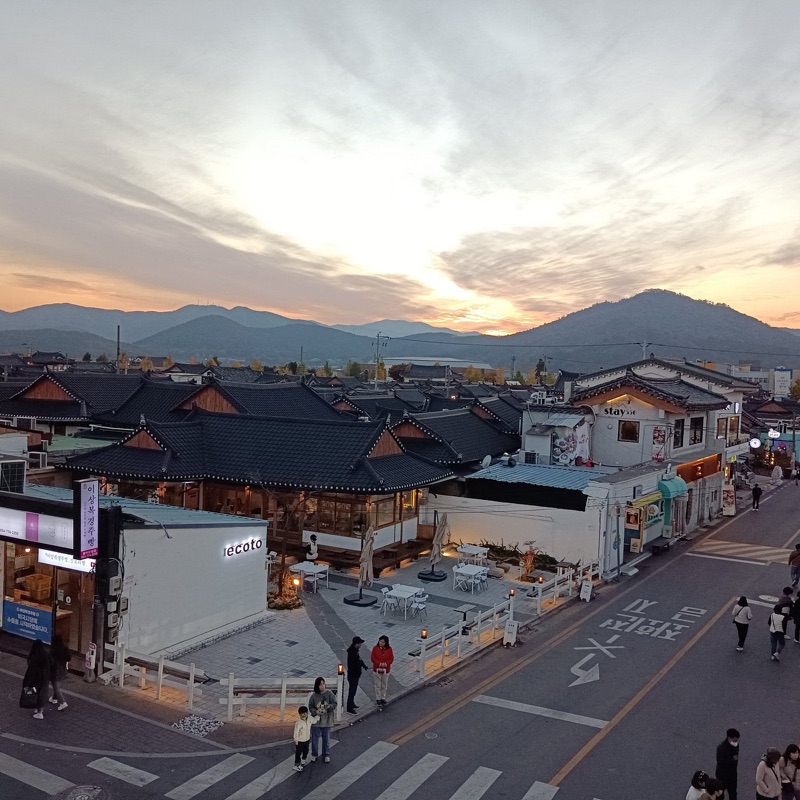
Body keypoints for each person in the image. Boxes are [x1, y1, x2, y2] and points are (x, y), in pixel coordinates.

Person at [307, 677, 336, 763]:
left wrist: (328, 708)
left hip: (327, 721)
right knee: (315, 739)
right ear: (317, 686)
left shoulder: (329, 694)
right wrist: (316, 712)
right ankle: (314, 754)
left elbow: (334, 703)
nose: (322, 686)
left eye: (323, 683)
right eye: (320, 684)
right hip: (316, 721)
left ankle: (326, 754)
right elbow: (310, 706)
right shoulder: (314, 696)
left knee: (326, 739)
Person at [23, 639, 52, 720]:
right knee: (42, 693)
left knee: (35, 693)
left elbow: (31, 671)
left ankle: (39, 711)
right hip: (45, 678)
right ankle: (39, 709)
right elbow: (51, 662)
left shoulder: (35, 657)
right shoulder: (45, 654)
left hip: (36, 679)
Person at [345, 636, 369, 714]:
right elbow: (357, 662)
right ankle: (349, 707)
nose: (361, 645)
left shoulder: (355, 651)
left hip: (355, 675)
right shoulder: (352, 653)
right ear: (356, 644)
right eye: (360, 643)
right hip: (353, 675)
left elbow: (359, 660)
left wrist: (364, 666)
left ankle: (352, 704)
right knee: (352, 691)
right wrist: (362, 666)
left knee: (353, 691)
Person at [292, 705, 318, 772]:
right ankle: (296, 764)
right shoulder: (298, 723)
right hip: (300, 740)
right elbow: (296, 732)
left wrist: (318, 717)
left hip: (307, 739)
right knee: (298, 753)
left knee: (306, 751)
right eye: (303, 713)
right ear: (300, 714)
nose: (305, 714)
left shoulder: (309, 718)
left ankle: (303, 761)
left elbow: (314, 721)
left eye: (306, 713)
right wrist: (296, 740)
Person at [371, 635, 394, 709]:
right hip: (377, 669)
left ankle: (383, 697)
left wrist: (386, 664)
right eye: (380, 641)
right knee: (378, 685)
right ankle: (378, 698)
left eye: (383, 642)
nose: (381, 643)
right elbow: (373, 658)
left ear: (386, 643)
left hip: (386, 670)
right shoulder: (375, 648)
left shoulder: (389, 649)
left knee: (384, 684)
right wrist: (379, 663)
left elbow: (391, 658)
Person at [716, 728, 740, 800]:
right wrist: (732, 760)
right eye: (734, 740)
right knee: (720, 795)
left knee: (733, 794)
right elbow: (720, 762)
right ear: (729, 738)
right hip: (722, 777)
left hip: (732, 776)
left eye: (737, 740)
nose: (736, 742)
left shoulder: (735, 745)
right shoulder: (721, 748)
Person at [48, 634, 71, 711]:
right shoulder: (65, 649)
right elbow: (69, 658)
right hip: (63, 670)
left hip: (55, 671)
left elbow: (50, 661)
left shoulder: (52, 651)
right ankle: (54, 698)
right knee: (57, 684)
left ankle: (62, 702)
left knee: (56, 686)